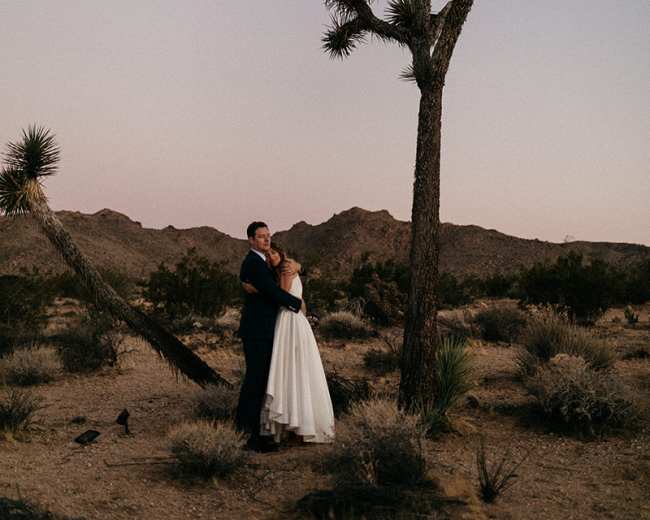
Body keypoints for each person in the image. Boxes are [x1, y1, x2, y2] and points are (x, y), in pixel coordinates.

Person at [245, 243, 335, 445]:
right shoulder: (287, 269)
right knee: (297, 370)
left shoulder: (286, 269)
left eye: (273, 253)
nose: (270, 257)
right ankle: (299, 422)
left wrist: (255, 289)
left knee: (288, 369)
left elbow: (280, 297)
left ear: (281, 253)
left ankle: (290, 421)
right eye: (267, 255)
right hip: (295, 321)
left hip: (288, 321)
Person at [235, 222, 302, 452]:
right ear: (251, 240)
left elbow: (271, 284)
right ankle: (247, 436)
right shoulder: (253, 263)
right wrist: (297, 304)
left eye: (268, 236)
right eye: (261, 237)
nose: (266, 240)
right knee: (255, 381)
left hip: (265, 330)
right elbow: (272, 291)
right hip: (256, 332)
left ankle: (255, 433)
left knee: (260, 381)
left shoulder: (262, 262)